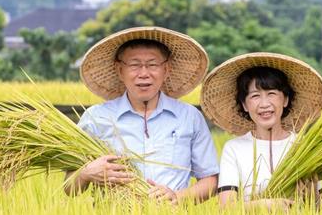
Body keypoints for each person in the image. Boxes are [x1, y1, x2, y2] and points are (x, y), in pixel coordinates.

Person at [65, 26, 219, 204]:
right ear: (120, 70)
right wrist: (86, 174)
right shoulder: (96, 118)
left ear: (166, 70)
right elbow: (69, 187)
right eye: (134, 65)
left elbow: (211, 180)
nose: (144, 74)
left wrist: (177, 197)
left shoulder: (189, 117)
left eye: (152, 65)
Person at [199, 53, 322, 210]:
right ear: (245, 105)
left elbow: (319, 211)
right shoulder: (234, 149)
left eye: (271, 94)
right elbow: (226, 208)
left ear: (286, 100)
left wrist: (312, 197)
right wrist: (264, 206)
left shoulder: (303, 147)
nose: (264, 104)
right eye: (255, 96)